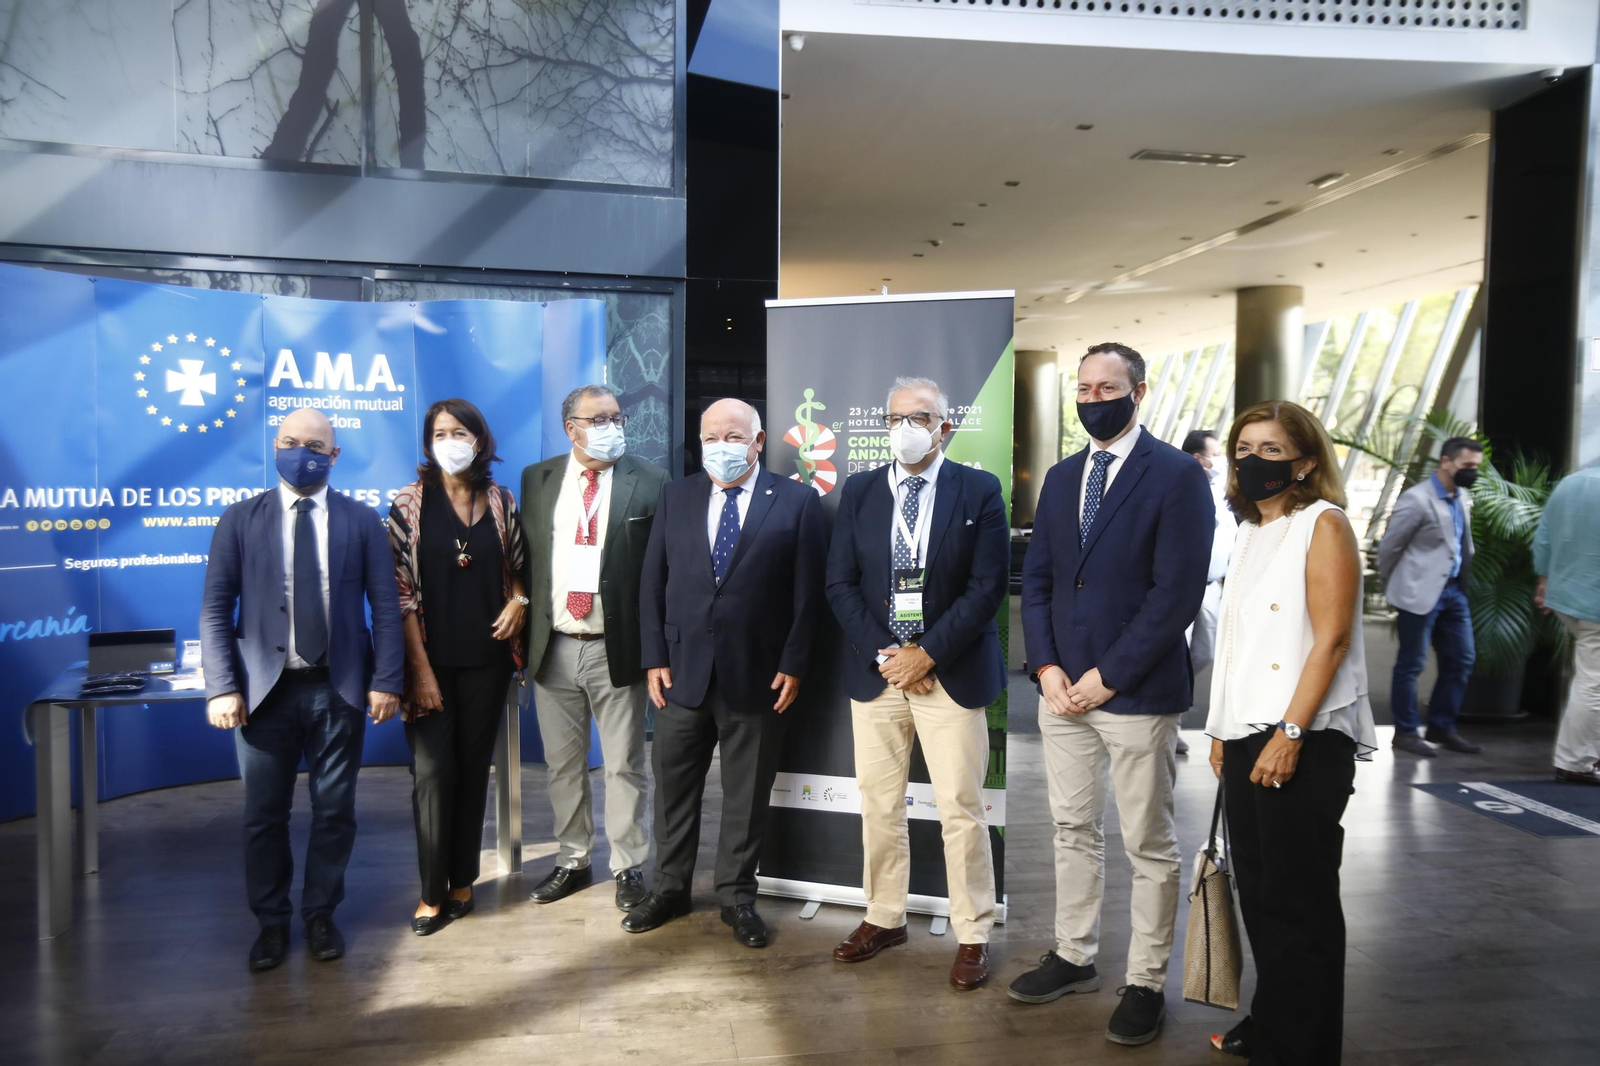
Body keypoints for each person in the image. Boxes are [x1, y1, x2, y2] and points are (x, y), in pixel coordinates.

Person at [1013, 342, 1212, 1047]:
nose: (1094, 398)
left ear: (1140, 391)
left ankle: (1146, 982)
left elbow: (1176, 595)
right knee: (1072, 829)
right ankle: (1074, 955)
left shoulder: (1179, 477)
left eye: (1108, 386)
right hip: (1061, 693)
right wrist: (1047, 669)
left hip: (1135, 693)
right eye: (1084, 386)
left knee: (1148, 845)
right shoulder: (1064, 477)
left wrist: (1107, 676)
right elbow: (1037, 581)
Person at [1203, 400, 1377, 1065]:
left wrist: (1291, 731)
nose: (1254, 460)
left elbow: (1329, 641)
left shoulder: (1322, 524)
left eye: (1271, 450)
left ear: (1305, 461)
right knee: (1263, 894)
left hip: (1303, 736)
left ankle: (1302, 1049)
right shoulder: (1250, 529)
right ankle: (1274, 1021)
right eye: (1244, 447)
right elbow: (1239, 645)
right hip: (1247, 733)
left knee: (1299, 902)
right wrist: (1222, 729)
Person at [200, 407, 403, 971]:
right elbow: (216, 611)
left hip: (337, 691)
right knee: (264, 816)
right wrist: (221, 686)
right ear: (274, 446)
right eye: (289, 441)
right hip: (263, 694)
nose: (301, 452)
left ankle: (320, 915)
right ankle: (270, 924)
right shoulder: (239, 519)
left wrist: (386, 679)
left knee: (335, 811)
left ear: (334, 455)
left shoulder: (361, 521)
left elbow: (385, 610)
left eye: (314, 444)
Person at [825, 377, 1009, 992]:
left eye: (920, 416)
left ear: (944, 427)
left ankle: (974, 932)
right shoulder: (859, 490)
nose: (906, 427)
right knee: (879, 805)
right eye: (895, 417)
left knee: (960, 807)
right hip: (878, 674)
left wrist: (926, 654)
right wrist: (890, 655)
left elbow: (987, 589)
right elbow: (840, 584)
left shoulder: (979, 489)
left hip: (949, 675)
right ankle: (884, 917)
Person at [629, 398, 826, 948]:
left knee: (745, 796)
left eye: (734, 436)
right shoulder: (677, 496)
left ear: (758, 441)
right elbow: (652, 584)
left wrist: (794, 663)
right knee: (672, 790)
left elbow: (808, 598)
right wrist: (653, 656)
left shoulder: (798, 502)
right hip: (679, 675)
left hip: (758, 676)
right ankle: (668, 889)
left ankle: (737, 897)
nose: (721, 446)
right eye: (711, 436)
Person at [519, 385, 668, 909]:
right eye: (597, 418)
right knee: (563, 765)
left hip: (616, 647)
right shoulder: (537, 480)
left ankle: (628, 865)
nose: (610, 426)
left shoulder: (650, 481)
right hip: (554, 644)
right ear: (571, 428)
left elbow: (660, 574)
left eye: (615, 417)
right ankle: (572, 859)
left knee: (625, 763)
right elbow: (525, 563)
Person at [387, 399, 528, 935]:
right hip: (429, 665)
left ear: (479, 439)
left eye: (460, 431)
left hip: (488, 664)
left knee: (473, 774)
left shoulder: (501, 500)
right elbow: (398, 594)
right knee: (431, 776)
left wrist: (521, 602)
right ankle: (430, 892)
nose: (451, 440)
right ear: (427, 444)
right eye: (440, 432)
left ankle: (463, 880)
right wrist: (418, 672)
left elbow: (519, 568)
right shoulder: (408, 503)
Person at [1378, 437, 1485, 757]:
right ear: (1446, 462)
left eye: (1476, 467)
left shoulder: (1461, 496)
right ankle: (1406, 732)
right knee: (1412, 664)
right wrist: (1394, 585)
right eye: (1468, 466)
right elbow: (1390, 547)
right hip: (1418, 592)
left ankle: (1441, 726)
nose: (1473, 472)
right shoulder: (1417, 499)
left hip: (1453, 592)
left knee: (1462, 659)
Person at [1534, 463, 1600, 785]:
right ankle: (1574, 761)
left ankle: (1583, 755)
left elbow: (1543, 538)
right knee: (1593, 681)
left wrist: (1544, 583)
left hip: (1566, 598)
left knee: (1592, 677)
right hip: (1595, 603)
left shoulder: (1570, 484)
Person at [1180, 428, 1237, 756]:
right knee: (1177, 654)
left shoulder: (1221, 490)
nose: (1218, 461)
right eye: (1213, 455)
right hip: (1184, 585)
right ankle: (1170, 726)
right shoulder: (1180, 487)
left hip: (1212, 586)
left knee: (1206, 652)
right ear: (1195, 457)